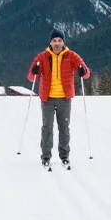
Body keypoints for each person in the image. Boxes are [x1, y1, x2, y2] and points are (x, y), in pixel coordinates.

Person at [27, 30, 91, 169]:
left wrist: (83, 71)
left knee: (64, 128)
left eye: (59, 41)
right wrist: (34, 71)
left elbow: (86, 73)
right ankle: (45, 156)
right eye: (54, 41)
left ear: (63, 42)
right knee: (47, 128)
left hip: (64, 98)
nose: (57, 44)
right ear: (50, 42)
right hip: (47, 98)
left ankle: (64, 156)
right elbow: (31, 78)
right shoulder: (42, 57)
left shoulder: (71, 56)